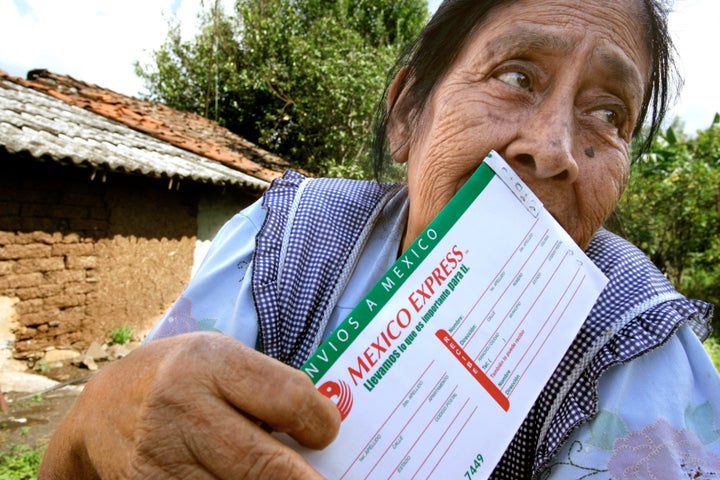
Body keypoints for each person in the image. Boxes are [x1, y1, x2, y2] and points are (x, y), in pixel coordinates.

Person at [39, 0, 720, 478]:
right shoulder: (286, 247)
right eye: (517, 76)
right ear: (405, 116)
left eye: (608, 113)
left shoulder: (641, 357)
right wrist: (94, 421)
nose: (554, 150)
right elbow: (95, 455)